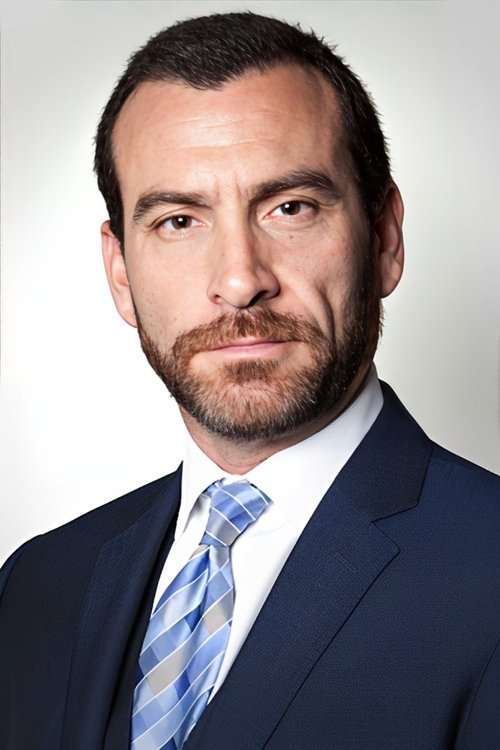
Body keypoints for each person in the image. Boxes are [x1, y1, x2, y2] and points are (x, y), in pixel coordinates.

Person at [1, 11, 499, 750]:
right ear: (121, 273)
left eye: (290, 208)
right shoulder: (37, 584)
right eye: (179, 221)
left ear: (385, 239)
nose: (239, 280)